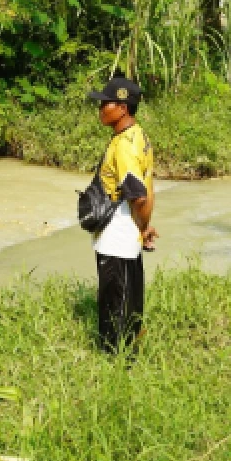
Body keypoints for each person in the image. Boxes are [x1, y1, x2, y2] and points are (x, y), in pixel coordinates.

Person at [87, 76, 157, 353]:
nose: (101, 108)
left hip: (119, 231)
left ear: (123, 108)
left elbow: (137, 194)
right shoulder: (136, 135)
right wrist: (145, 226)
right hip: (128, 227)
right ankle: (129, 350)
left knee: (114, 297)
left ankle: (115, 358)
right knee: (128, 294)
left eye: (107, 103)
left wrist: (141, 228)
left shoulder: (125, 146)